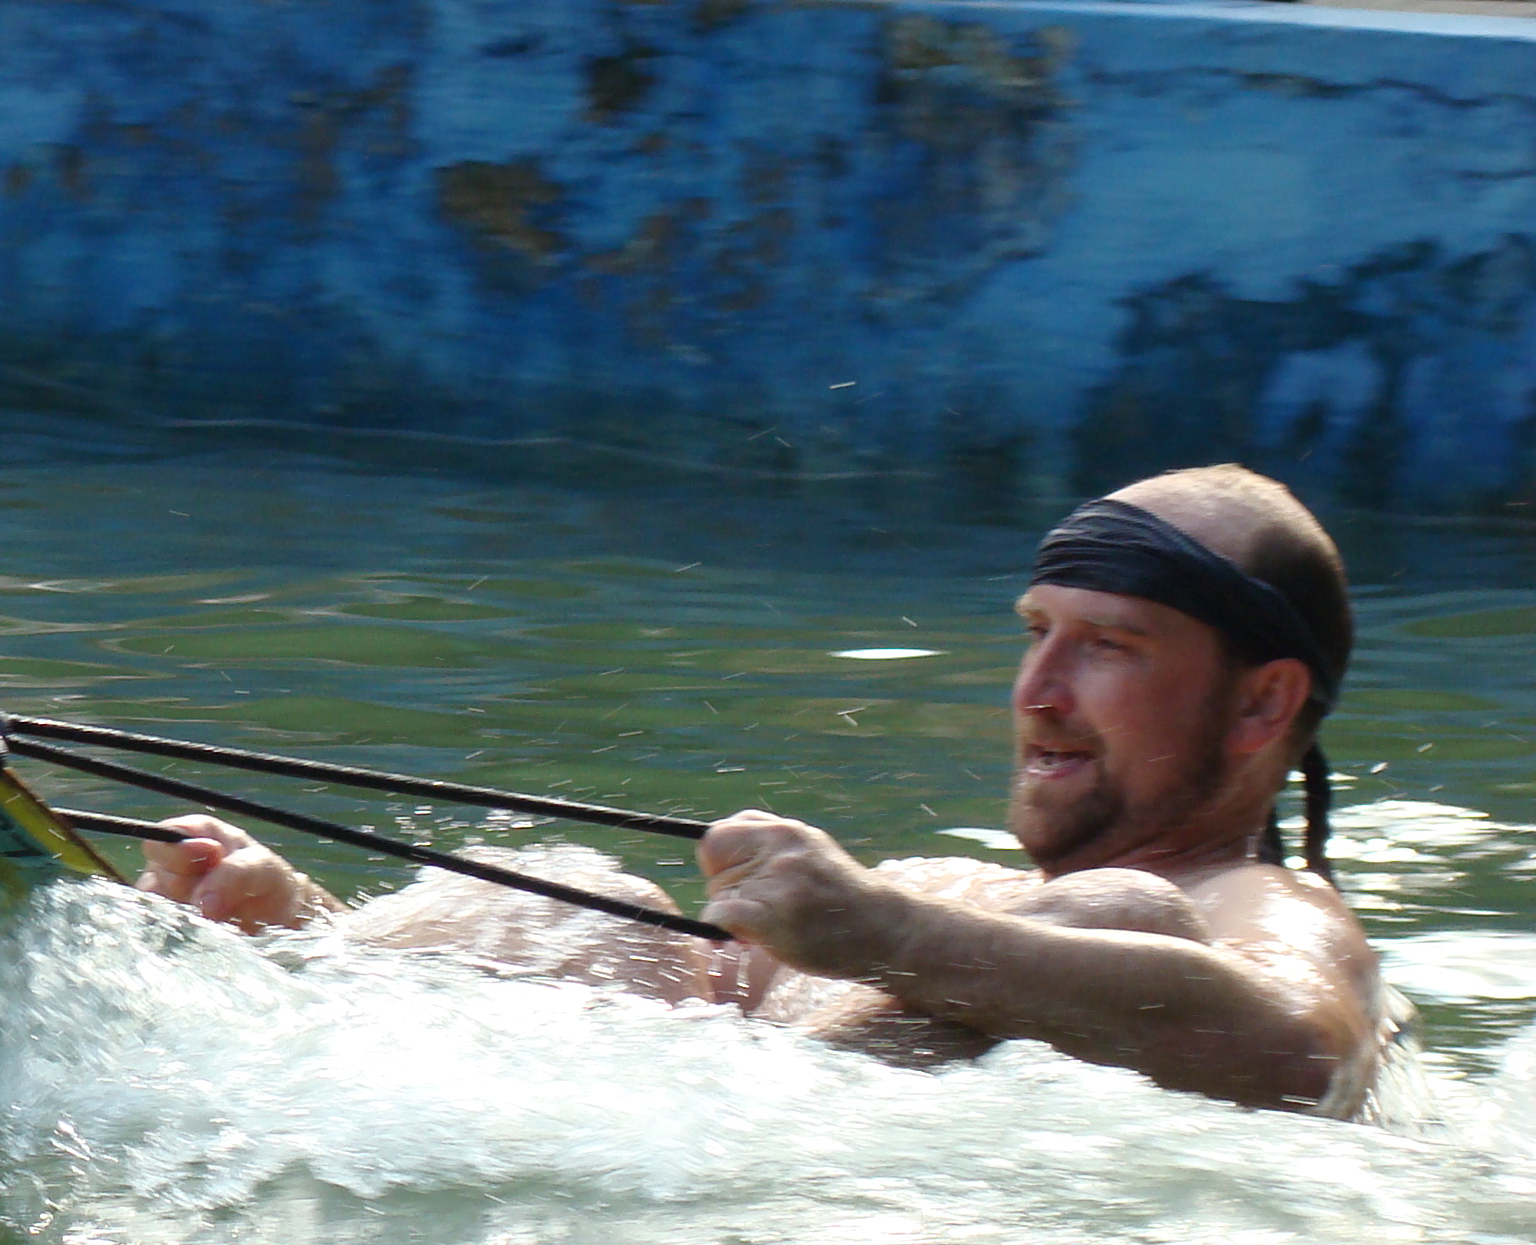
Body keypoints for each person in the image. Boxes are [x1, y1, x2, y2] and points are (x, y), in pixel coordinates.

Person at [138, 464, 1387, 1116]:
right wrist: (315, 928)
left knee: (1115, 912)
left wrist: (882, 933)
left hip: (781, 1216)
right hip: (622, 1131)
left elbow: (1300, 1051)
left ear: (1260, 705)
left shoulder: (1262, 908)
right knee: (593, 906)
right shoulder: (957, 888)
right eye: (1035, 633)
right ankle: (291, 966)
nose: (1037, 690)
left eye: (1108, 647)